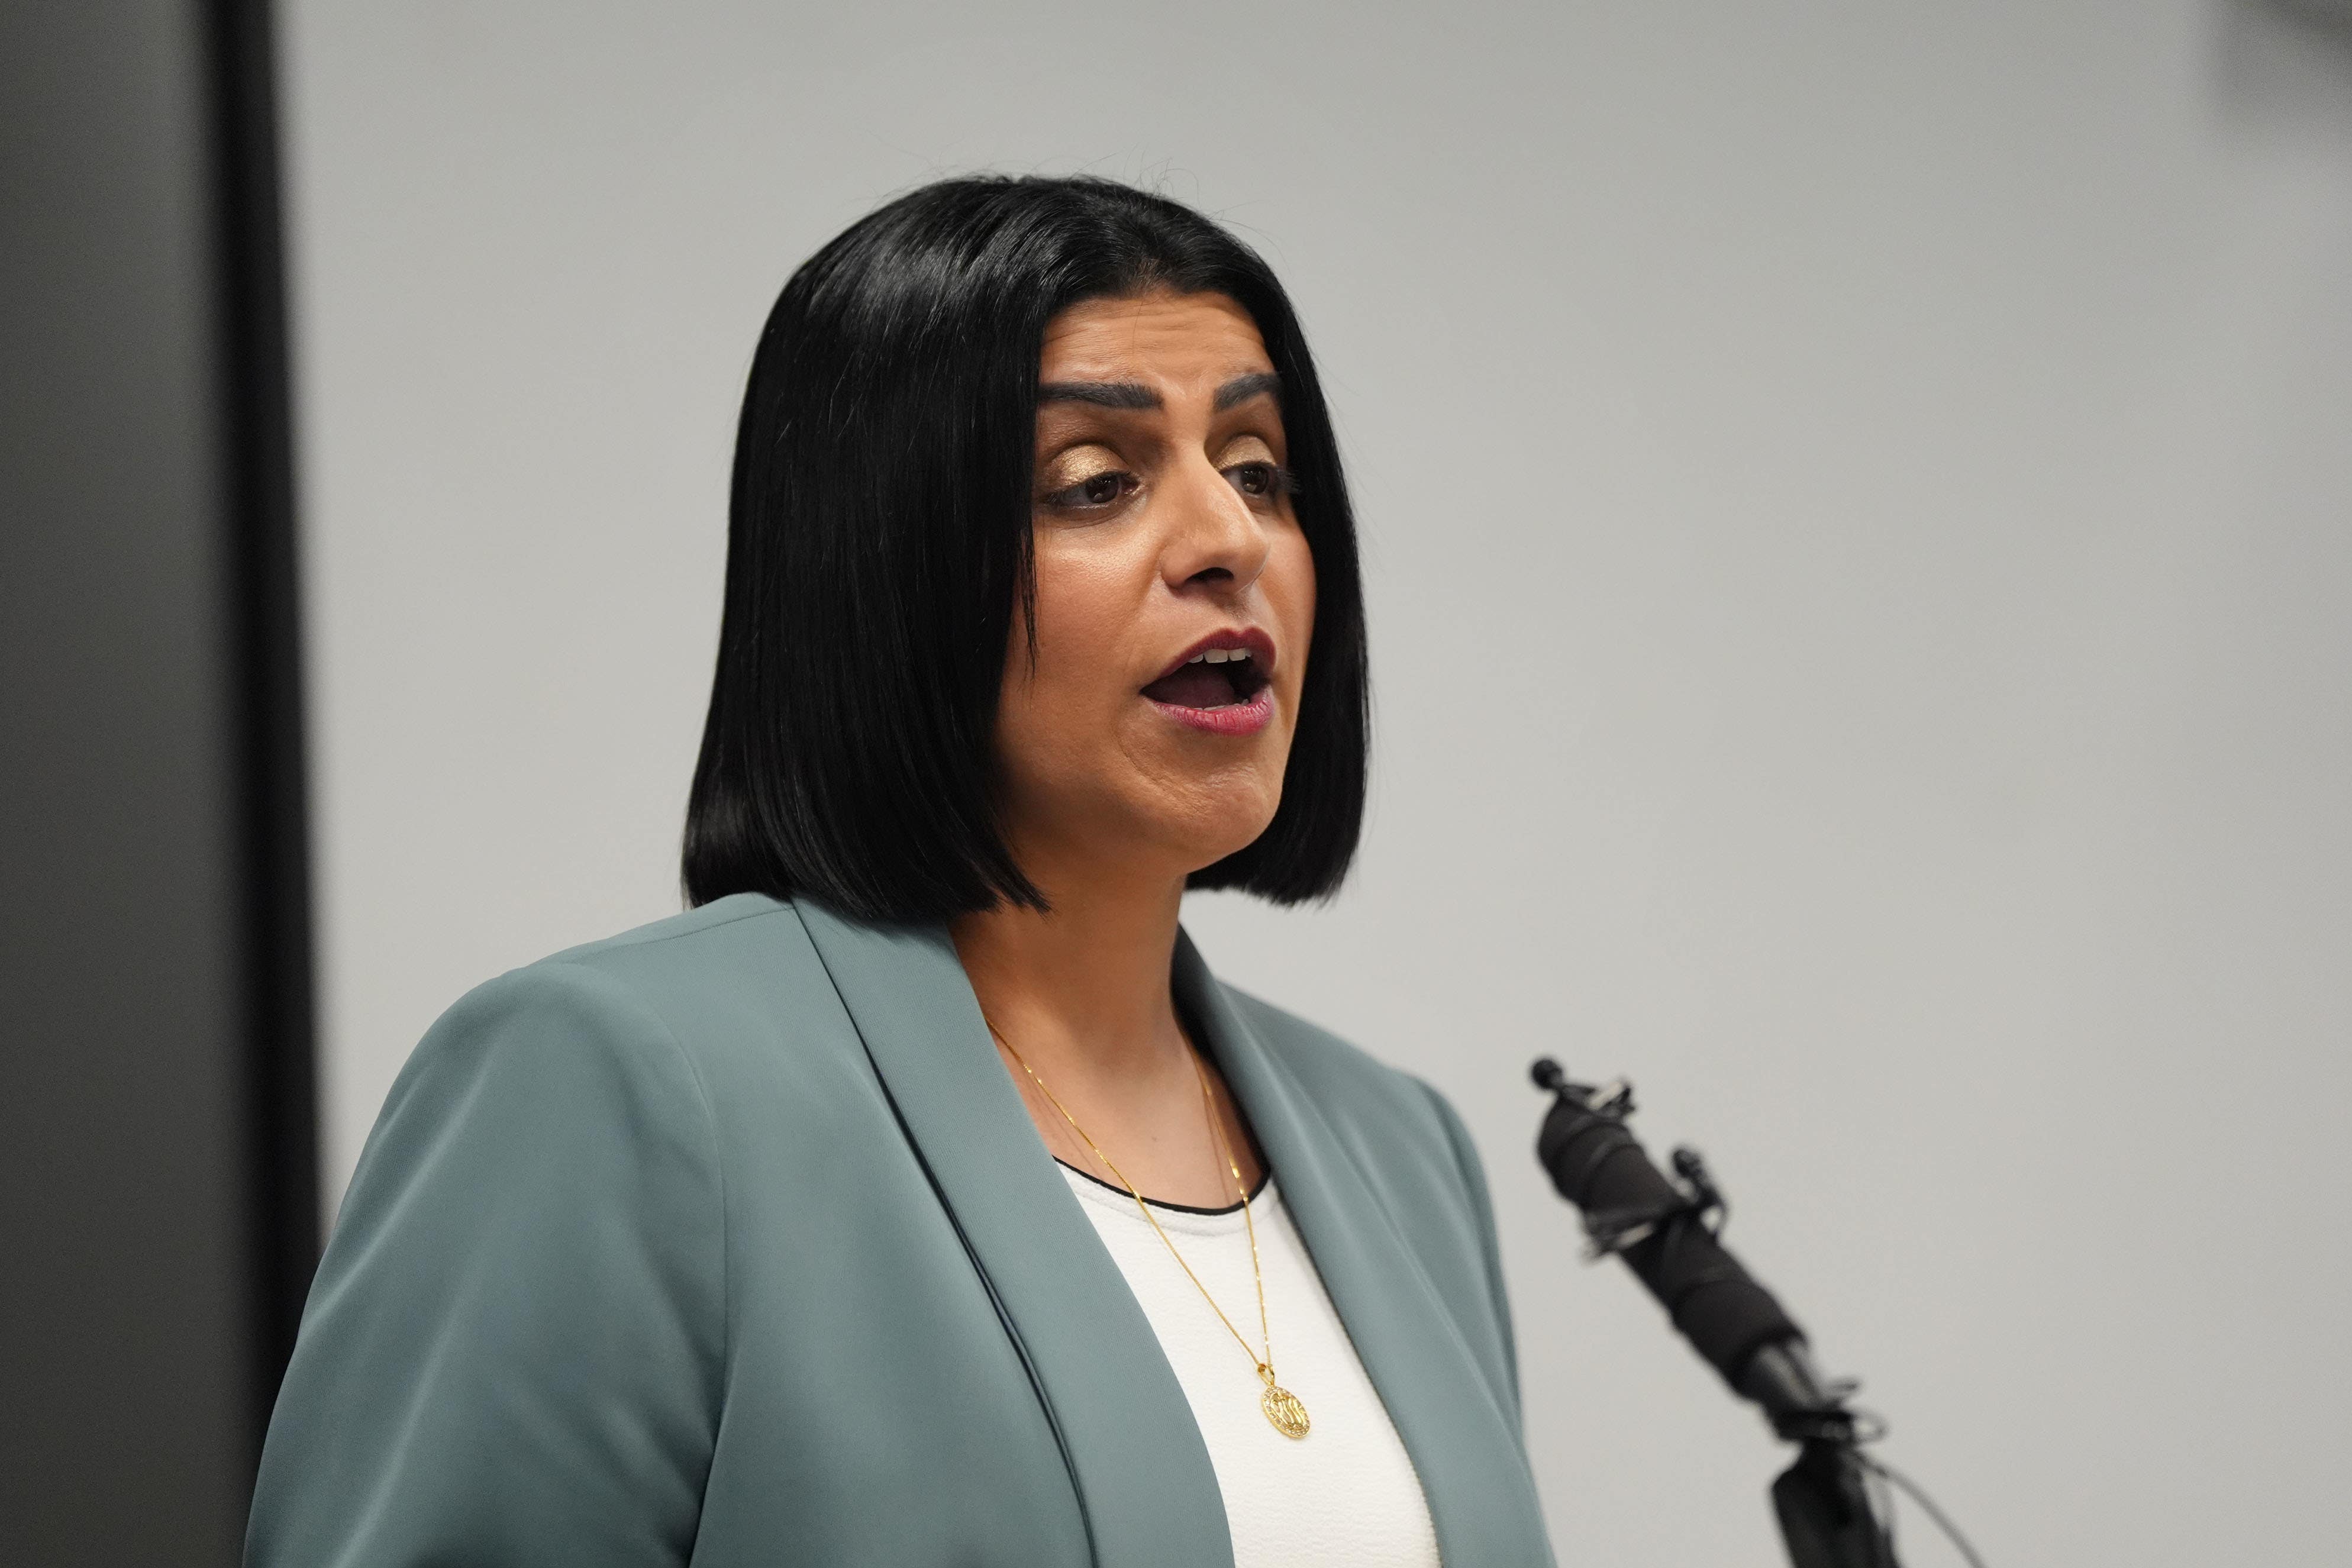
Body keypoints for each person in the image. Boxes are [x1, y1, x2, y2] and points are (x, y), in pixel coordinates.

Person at [246, 175, 1554, 1567]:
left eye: (1257, 468)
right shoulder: (618, 1082)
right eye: (1094, 483)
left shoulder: (1401, 1152)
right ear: (884, 564)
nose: (1228, 540)